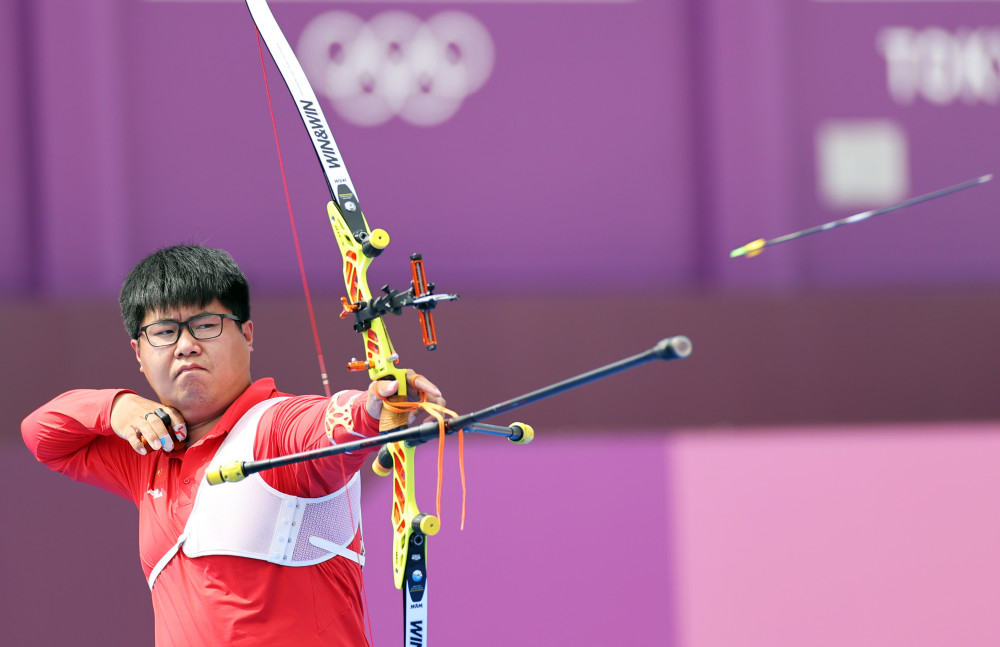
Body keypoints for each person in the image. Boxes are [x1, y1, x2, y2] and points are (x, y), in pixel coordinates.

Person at [21, 244, 444, 646]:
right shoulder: (148, 453)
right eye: (164, 332)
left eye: (206, 325)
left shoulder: (275, 426)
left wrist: (376, 406)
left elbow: (328, 425)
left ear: (247, 333)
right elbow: (43, 434)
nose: (186, 346)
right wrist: (118, 406)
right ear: (138, 353)